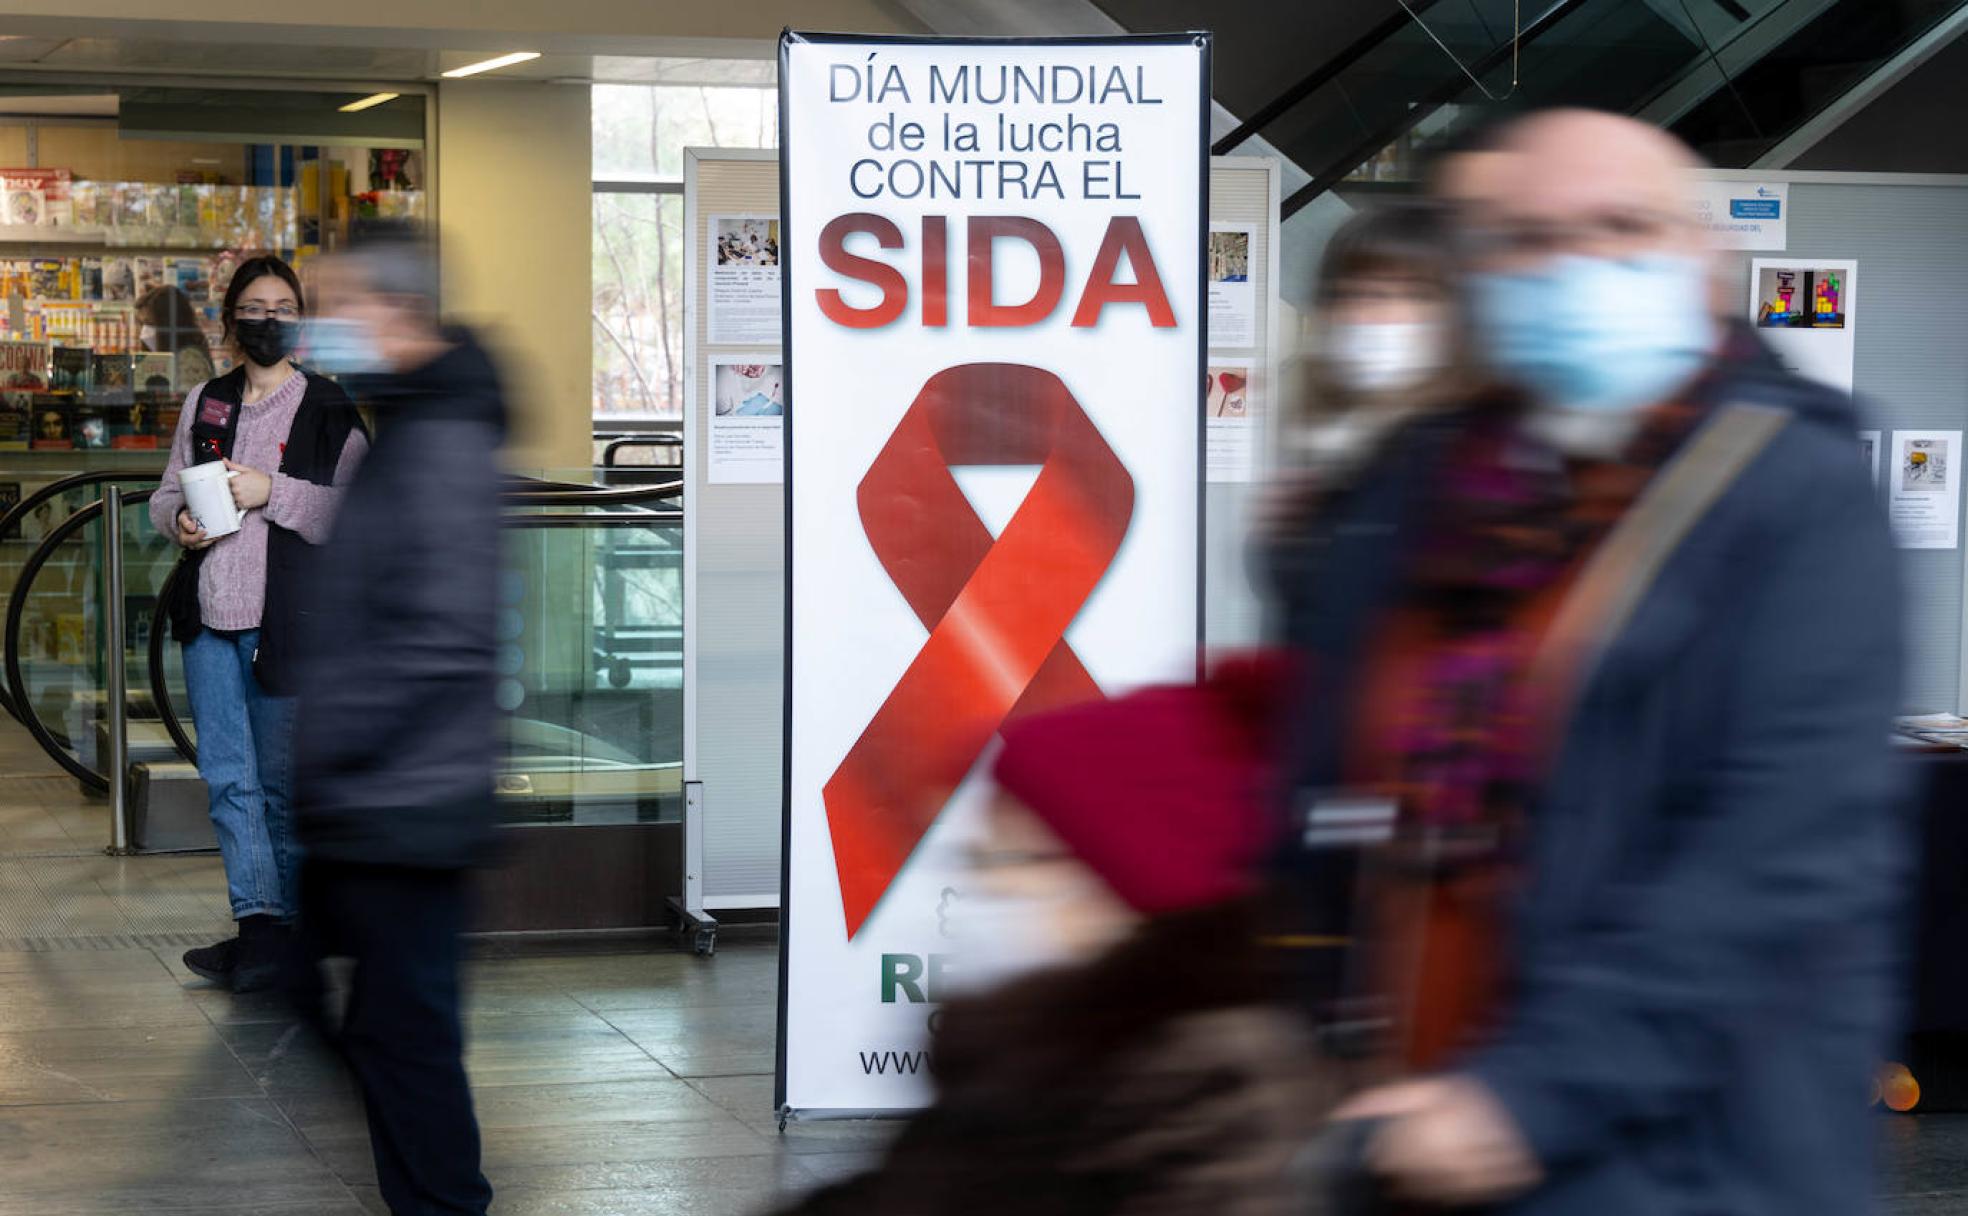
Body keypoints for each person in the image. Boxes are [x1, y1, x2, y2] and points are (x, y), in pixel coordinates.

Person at [1281, 109, 1905, 1214]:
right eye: (1526, 238)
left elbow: (1778, 860)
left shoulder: (1795, 493)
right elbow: (1326, 783)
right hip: (1411, 1137)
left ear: (1703, 260)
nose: (1574, 266)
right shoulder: (1420, 488)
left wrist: (1526, 1099)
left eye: (1621, 225)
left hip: (1683, 1162)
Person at [777, 669, 1329, 1216]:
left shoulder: (1215, 1084)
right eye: (980, 860)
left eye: (1027, 860)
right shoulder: (1025, 1052)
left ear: (1125, 887)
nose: (993, 888)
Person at [289, 223, 504, 1216]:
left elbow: (446, 637)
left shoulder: (445, 439)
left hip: (408, 804)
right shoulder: (412, 423)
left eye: (333, 304)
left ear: (394, 309)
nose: (318, 326)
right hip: (373, 800)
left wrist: (335, 738)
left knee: (405, 1044)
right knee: (381, 1035)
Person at [149, 254, 367, 994]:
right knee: (228, 781)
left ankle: (300, 934)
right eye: (254, 307)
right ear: (231, 319)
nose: (268, 320)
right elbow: (164, 494)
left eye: (282, 307)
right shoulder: (208, 402)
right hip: (211, 617)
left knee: (279, 784)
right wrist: (179, 521)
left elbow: (354, 514)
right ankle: (260, 929)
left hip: (291, 624)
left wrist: (271, 489)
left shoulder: (330, 408)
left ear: (299, 322)